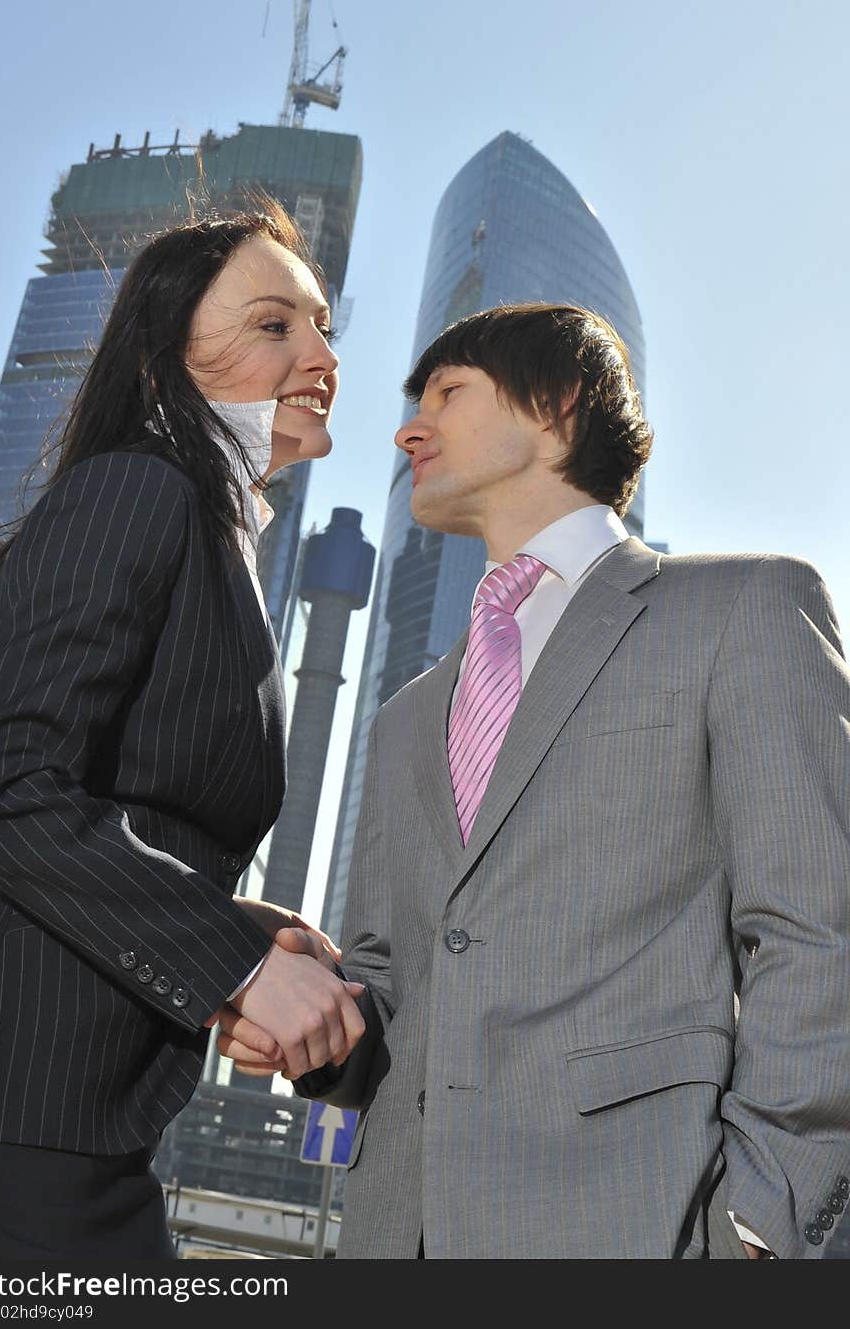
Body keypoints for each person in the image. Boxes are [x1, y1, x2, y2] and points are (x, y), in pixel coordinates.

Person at [214, 302, 850, 1259]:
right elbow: (403, 986)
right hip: (401, 1235)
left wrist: (764, 1220)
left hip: (649, 1226)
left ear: (556, 405)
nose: (407, 427)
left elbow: (820, 928)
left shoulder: (745, 610)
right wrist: (325, 1025)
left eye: (447, 392)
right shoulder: (406, 719)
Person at [0, 197, 365, 1259]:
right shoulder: (134, 490)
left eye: (325, 325)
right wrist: (235, 969)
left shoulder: (213, 535)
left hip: (96, 1112)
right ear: (165, 364)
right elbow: (3, 788)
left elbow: (129, 808)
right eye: (274, 325)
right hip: (21, 1109)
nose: (322, 353)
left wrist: (244, 931)